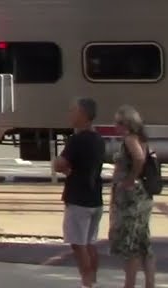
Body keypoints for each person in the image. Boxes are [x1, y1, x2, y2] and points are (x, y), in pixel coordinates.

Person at [52, 96, 107, 288]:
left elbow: (59, 164)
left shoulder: (77, 140)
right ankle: (93, 280)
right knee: (90, 243)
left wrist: (63, 166)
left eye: (73, 110)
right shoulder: (98, 139)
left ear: (82, 114)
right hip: (95, 197)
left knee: (78, 244)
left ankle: (86, 283)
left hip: (78, 199)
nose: (70, 114)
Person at [110, 104, 156, 288]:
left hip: (132, 199)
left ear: (126, 123)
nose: (115, 126)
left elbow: (139, 158)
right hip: (142, 195)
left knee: (131, 244)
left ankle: (129, 284)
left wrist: (129, 179)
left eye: (118, 122)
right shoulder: (141, 138)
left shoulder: (130, 139)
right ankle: (150, 283)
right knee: (143, 242)